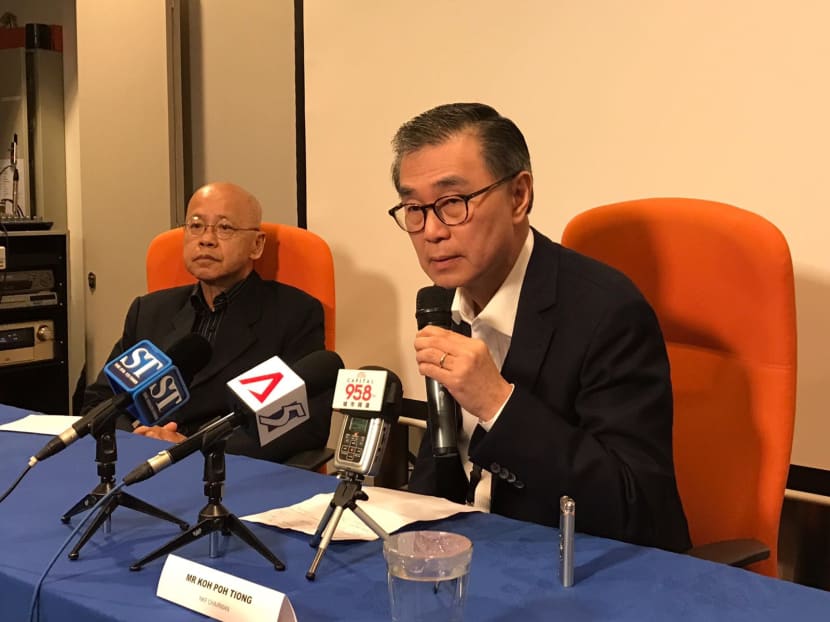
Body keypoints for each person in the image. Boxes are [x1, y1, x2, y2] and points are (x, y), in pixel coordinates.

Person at [389, 103, 691, 552]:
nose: (431, 230)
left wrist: (498, 402)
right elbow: (445, 458)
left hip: (578, 567)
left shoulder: (608, 310)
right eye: (414, 208)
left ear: (519, 197)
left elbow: (636, 509)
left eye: (452, 203)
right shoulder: (437, 304)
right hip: (471, 554)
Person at [82, 182, 330, 463]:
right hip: (139, 464)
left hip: (228, 471)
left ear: (257, 245)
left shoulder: (294, 313)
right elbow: (99, 400)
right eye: (196, 226)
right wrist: (140, 438)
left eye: (225, 228)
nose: (206, 239)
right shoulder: (149, 310)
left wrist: (193, 448)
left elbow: (304, 424)